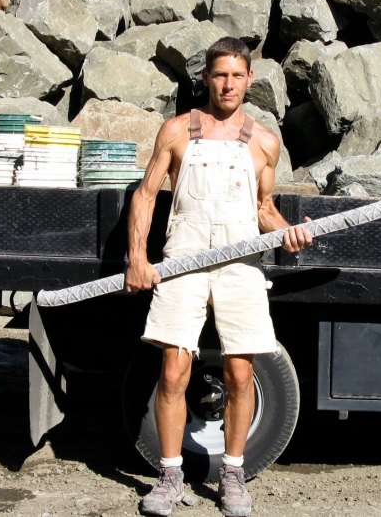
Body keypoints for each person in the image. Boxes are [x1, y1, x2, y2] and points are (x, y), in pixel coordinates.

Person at [125, 36, 313, 517]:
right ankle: (170, 477)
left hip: (239, 265)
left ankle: (233, 475)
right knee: (173, 370)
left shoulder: (265, 141)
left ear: (250, 79)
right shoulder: (176, 131)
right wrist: (137, 259)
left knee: (240, 373)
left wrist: (288, 233)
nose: (228, 84)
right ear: (207, 78)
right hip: (182, 261)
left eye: (237, 75)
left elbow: (264, 209)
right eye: (220, 75)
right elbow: (145, 195)